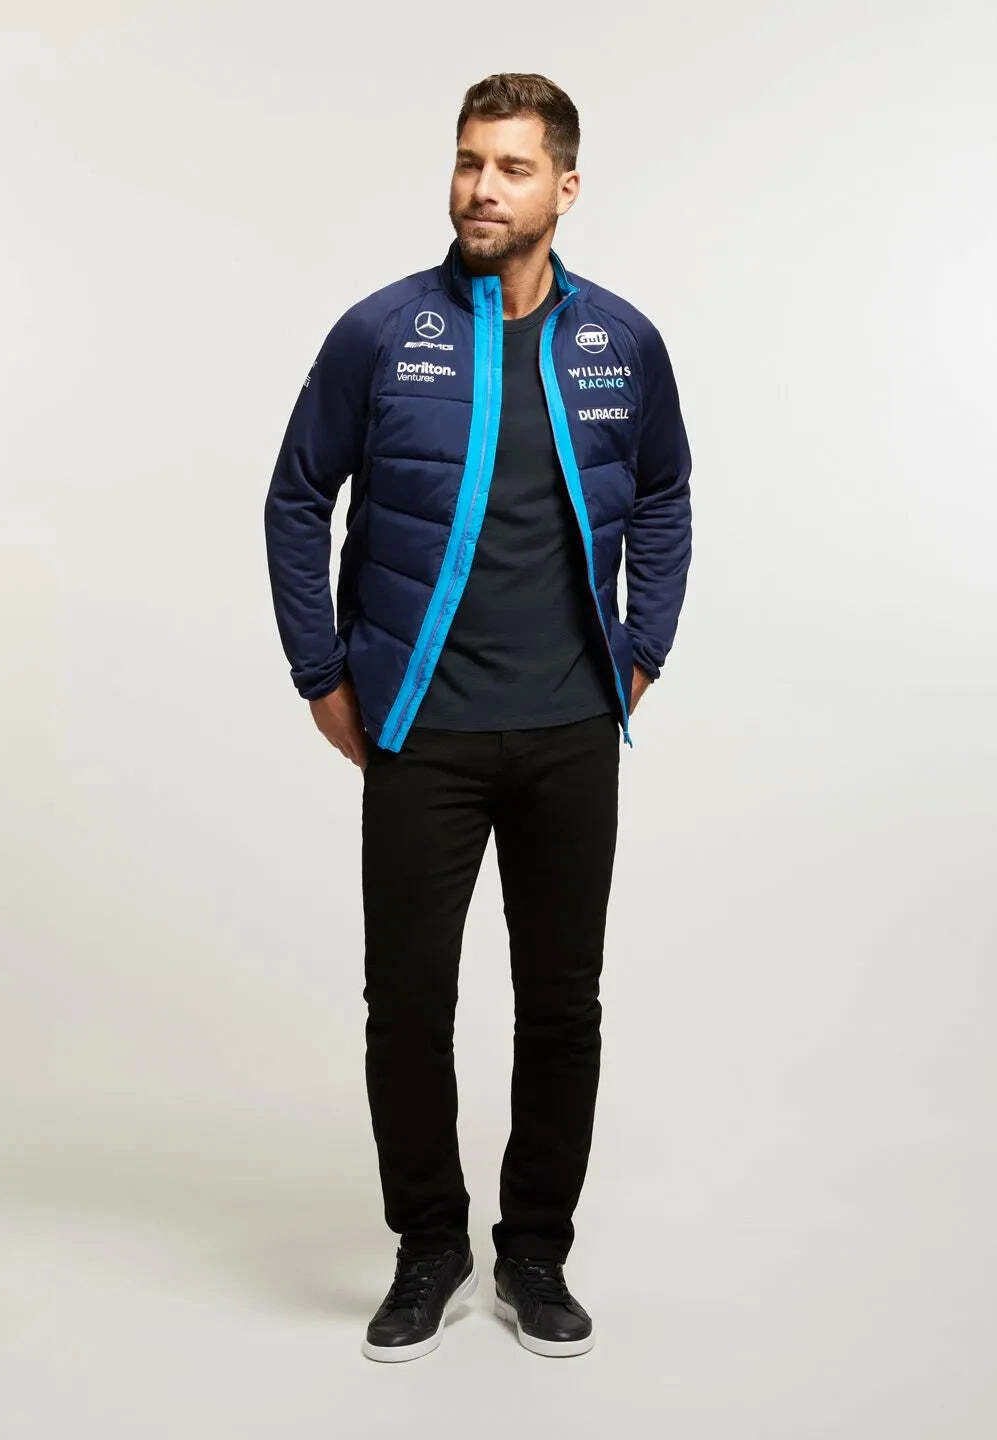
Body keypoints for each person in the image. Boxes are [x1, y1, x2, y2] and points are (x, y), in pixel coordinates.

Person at [263, 71, 693, 1362]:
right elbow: (297, 498)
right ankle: (428, 1248)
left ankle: (536, 1252)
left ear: (566, 186)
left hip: (569, 733)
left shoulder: (622, 341)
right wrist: (322, 674)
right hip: (422, 734)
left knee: (562, 1007)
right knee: (408, 1005)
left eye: (510, 167)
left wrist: (643, 651)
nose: (481, 188)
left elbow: (665, 494)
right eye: (467, 162)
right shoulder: (380, 333)